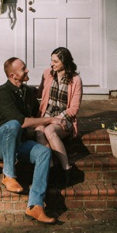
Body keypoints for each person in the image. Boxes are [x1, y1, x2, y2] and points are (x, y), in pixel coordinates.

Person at [0, 56, 66, 224]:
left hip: (18, 144)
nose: (27, 70)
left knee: (44, 153)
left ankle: (35, 206)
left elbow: (39, 114)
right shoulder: (3, 93)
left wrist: (60, 119)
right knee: (14, 124)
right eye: (23, 69)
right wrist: (48, 121)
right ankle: (8, 175)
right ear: (12, 76)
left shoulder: (28, 92)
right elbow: (22, 123)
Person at [34, 47, 83, 187]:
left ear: (64, 62)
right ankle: (50, 169)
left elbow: (74, 108)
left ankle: (67, 169)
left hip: (64, 117)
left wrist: (60, 117)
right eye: (51, 60)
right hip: (47, 113)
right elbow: (40, 93)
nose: (51, 64)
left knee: (50, 131)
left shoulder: (75, 80)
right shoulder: (47, 74)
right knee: (39, 131)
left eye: (55, 61)